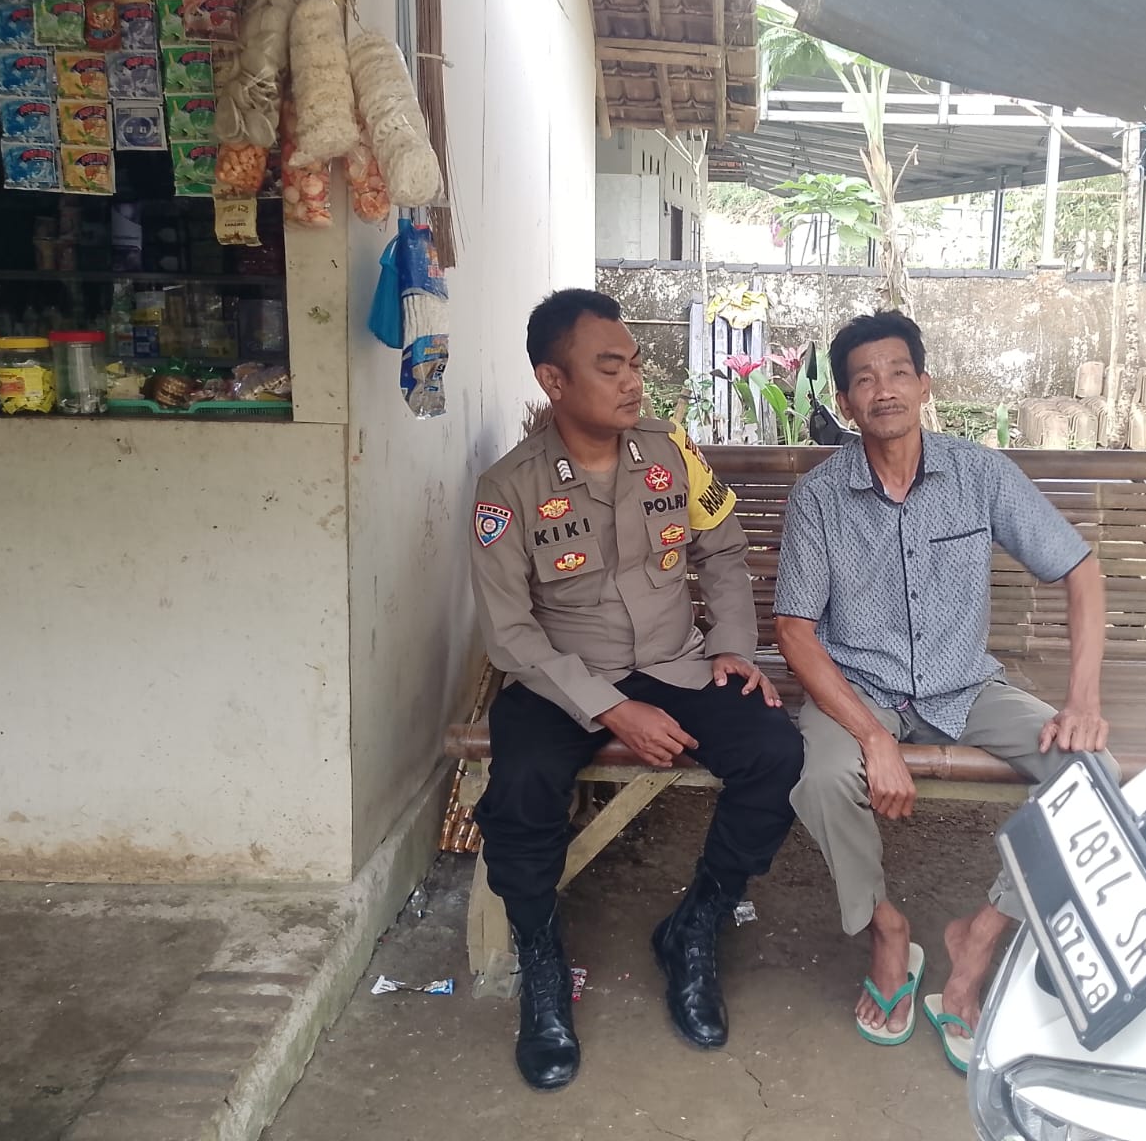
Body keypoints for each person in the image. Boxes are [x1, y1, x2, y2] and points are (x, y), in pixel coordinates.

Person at [470, 289, 804, 1091]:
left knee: (775, 751)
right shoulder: (507, 489)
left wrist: (732, 647)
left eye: (634, 364)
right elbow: (509, 634)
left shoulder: (669, 452)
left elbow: (722, 551)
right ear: (554, 381)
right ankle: (541, 959)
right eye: (609, 367)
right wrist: (613, 709)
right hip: (563, 678)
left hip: (677, 663)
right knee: (521, 786)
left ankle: (696, 924)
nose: (632, 382)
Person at [772, 310, 1113, 1070]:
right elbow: (794, 631)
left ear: (925, 385)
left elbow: (1081, 570)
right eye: (865, 379)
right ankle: (887, 930)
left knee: (1093, 773)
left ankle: (979, 937)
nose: (884, 389)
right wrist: (872, 737)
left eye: (899, 372)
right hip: (860, 689)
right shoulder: (820, 498)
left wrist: (1082, 700)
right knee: (822, 777)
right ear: (845, 401)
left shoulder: (979, 474)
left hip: (965, 685)